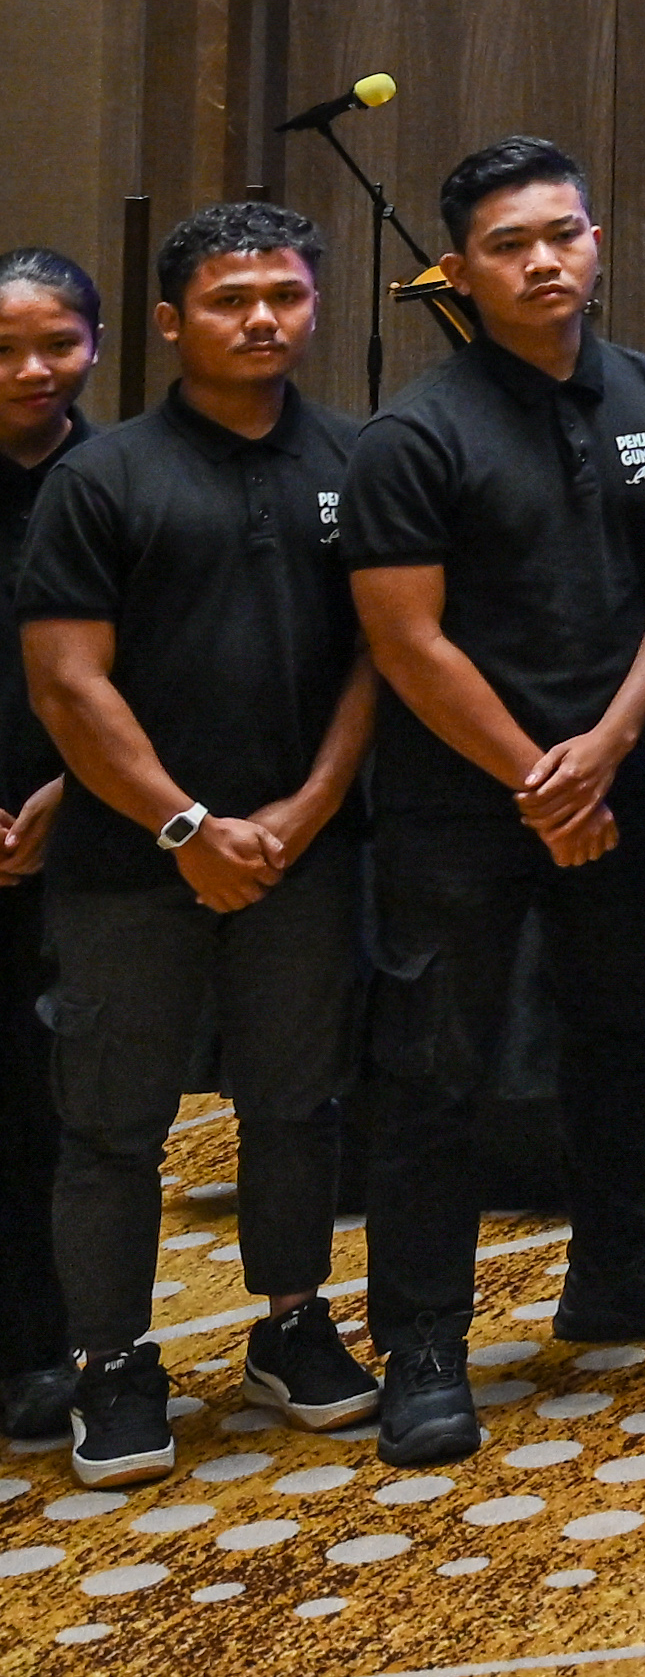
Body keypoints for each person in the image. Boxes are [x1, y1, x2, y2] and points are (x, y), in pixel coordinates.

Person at [342, 135, 645, 1461]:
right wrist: (536, 774)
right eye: (511, 244)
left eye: (563, 232)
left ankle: (614, 1261)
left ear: (597, 240)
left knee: (621, 1034)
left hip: (623, 779)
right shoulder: (415, 431)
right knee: (434, 1073)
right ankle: (427, 1342)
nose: (545, 259)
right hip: (463, 807)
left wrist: (606, 745)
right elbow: (408, 642)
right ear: (460, 269)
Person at [19, 205, 377, 1485]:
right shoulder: (101, 476)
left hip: (301, 854)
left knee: (296, 1103)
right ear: (171, 322)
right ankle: (113, 1365)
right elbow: (68, 682)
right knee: (115, 1128)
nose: (263, 318)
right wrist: (183, 822)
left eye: (284, 292)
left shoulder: (353, 456)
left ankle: (292, 1324)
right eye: (231, 299)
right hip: (131, 864)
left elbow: (376, 656)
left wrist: (306, 807)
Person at [0, 253, 100, 1445]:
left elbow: (160, 659)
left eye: (59, 343)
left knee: (54, 1110)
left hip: (87, 830)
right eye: (7, 348)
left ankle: (40, 1342)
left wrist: (70, 792)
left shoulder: (118, 474)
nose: (33, 369)